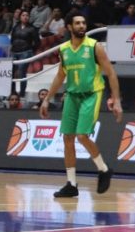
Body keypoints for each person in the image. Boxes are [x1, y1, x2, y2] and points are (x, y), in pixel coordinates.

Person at [40, 11, 122, 198]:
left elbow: (111, 73)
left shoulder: (95, 47)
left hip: (91, 95)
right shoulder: (64, 49)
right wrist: (47, 98)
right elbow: (61, 75)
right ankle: (71, 184)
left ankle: (103, 169)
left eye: (83, 23)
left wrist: (116, 100)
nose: (81, 26)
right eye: (77, 23)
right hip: (72, 96)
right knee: (67, 138)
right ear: (69, 26)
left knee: (82, 136)